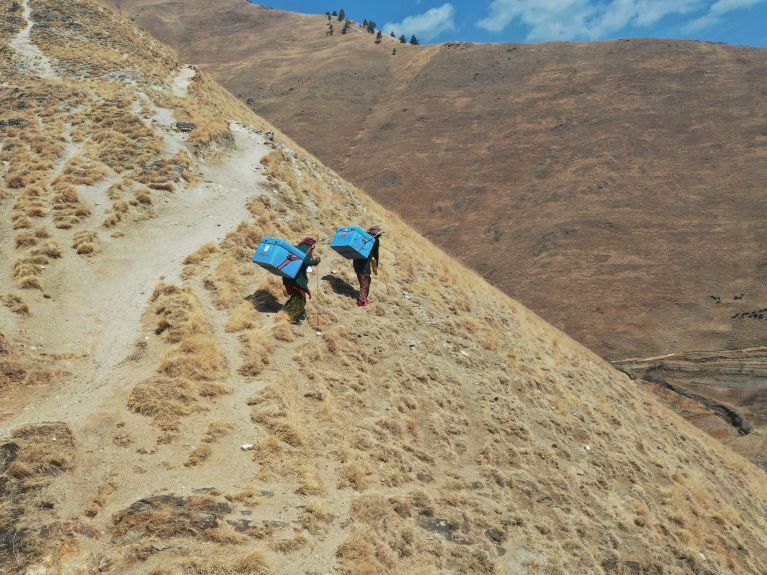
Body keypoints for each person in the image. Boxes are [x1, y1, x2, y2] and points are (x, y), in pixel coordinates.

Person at [282, 237, 321, 323]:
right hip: (297, 279)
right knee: (301, 299)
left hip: (288, 277)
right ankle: (292, 317)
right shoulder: (308, 251)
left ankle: (285, 311)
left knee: (296, 296)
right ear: (312, 245)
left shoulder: (297, 247)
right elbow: (306, 263)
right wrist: (316, 261)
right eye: (314, 245)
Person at [353, 225, 383, 307]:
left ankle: (365, 299)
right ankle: (361, 302)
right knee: (364, 284)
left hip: (356, 263)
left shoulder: (363, 237)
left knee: (367, 281)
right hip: (364, 266)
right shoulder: (374, 240)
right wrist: (376, 265)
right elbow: (375, 254)